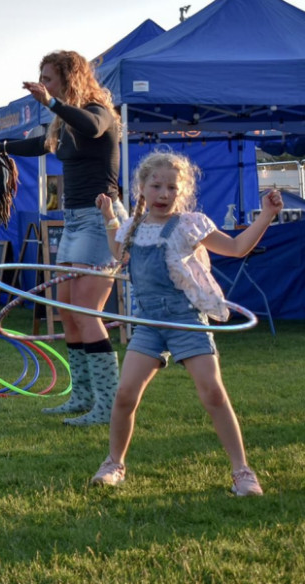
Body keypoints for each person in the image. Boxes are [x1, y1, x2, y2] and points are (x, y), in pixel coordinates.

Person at [89, 151, 280, 497]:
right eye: (156, 185)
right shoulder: (133, 228)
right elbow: (118, 255)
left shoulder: (190, 225)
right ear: (141, 189)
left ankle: (242, 471)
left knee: (213, 393)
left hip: (186, 319)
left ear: (182, 192)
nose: (163, 194)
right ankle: (114, 463)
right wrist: (108, 217)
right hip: (147, 323)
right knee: (125, 395)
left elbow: (236, 248)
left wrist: (266, 215)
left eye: (171, 187)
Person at [0, 50, 127, 426]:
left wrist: (52, 102)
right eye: (42, 78)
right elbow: (40, 145)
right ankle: (82, 396)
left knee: (88, 315)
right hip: (73, 222)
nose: (43, 84)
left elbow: (91, 127)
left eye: (49, 78)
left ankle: (108, 406)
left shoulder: (97, 110)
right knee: (69, 314)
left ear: (69, 78)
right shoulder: (62, 123)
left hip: (99, 218)